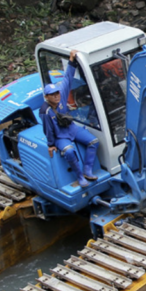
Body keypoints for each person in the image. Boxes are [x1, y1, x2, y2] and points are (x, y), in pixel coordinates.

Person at [42, 49, 100, 188]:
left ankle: (88, 169)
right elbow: (48, 130)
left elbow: (67, 78)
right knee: (68, 151)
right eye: (52, 95)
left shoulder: (61, 96)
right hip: (60, 136)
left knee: (94, 141)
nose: (56, 96)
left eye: (56, 93)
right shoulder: (46, 111)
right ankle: (79, 176)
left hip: (72, 129)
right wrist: (51, 144)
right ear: (46, 97)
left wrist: (72, 61)